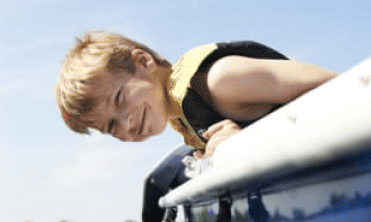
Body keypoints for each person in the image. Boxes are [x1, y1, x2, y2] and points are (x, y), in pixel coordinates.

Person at [55, 31, 337, 156]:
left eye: (119, 100)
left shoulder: (222, 80)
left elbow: (343, 87)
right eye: (111, 126)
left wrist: (245, 144)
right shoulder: (184, 120)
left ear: (143, 63)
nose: (126, 123)